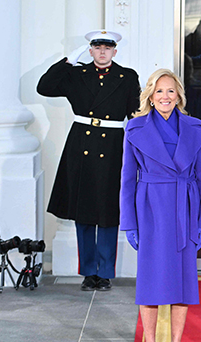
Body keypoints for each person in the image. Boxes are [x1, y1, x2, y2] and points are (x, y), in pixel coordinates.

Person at [120, 69, 201, 342]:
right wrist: (129, 224)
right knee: (150, 285)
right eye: (159, 91)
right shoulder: (134, 129)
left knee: (183, 287)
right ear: (149, 95)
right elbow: (127, 182)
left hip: (184, 211)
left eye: (171, 91)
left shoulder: (194, 129)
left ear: (179, 96)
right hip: (151, 213)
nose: (165, 97)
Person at [37, 30, 140, 291]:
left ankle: (104, 272)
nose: (103, 52)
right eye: (97, 47)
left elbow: (135, 113)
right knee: (83, 211)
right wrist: (69, 61)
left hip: (113, 144)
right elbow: (44, 87)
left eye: (108, 47)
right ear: (90, 50)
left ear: (115, 51)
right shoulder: (76, 75)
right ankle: (88, 272)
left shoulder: (127, 77)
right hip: (81, 143)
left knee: (107, 211)